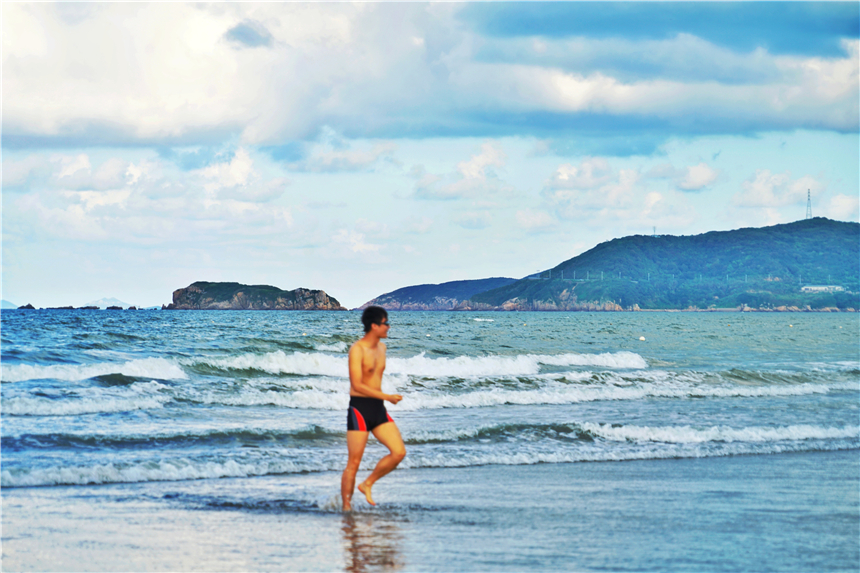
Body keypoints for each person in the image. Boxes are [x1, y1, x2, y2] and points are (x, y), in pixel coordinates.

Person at [341, 306, 406, 511]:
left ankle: (367, 484)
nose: (388, 327)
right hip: (359, 409)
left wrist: (384, 399)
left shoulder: (382, 349)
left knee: (399, 452)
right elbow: (357, 385)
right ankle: (346, 508)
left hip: (378, 409)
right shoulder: (357, 350)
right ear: (374, 325)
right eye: (385, 323)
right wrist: (387, 396)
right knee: (354, 463)